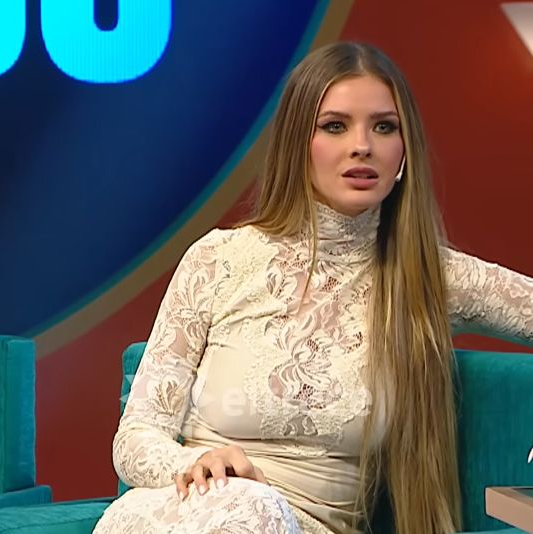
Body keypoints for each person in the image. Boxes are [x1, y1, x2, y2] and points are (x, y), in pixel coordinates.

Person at [94, 42, 533, 534]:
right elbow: (136, 436)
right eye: (335, 126)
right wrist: (193, 464)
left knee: (255, 511)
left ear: (404, 153)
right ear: (297, 144)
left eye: (384, 127)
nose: (362, 145)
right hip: (181, 510)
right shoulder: (217, 259)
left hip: (291, 523)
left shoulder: (431, 276)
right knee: (238, 507)